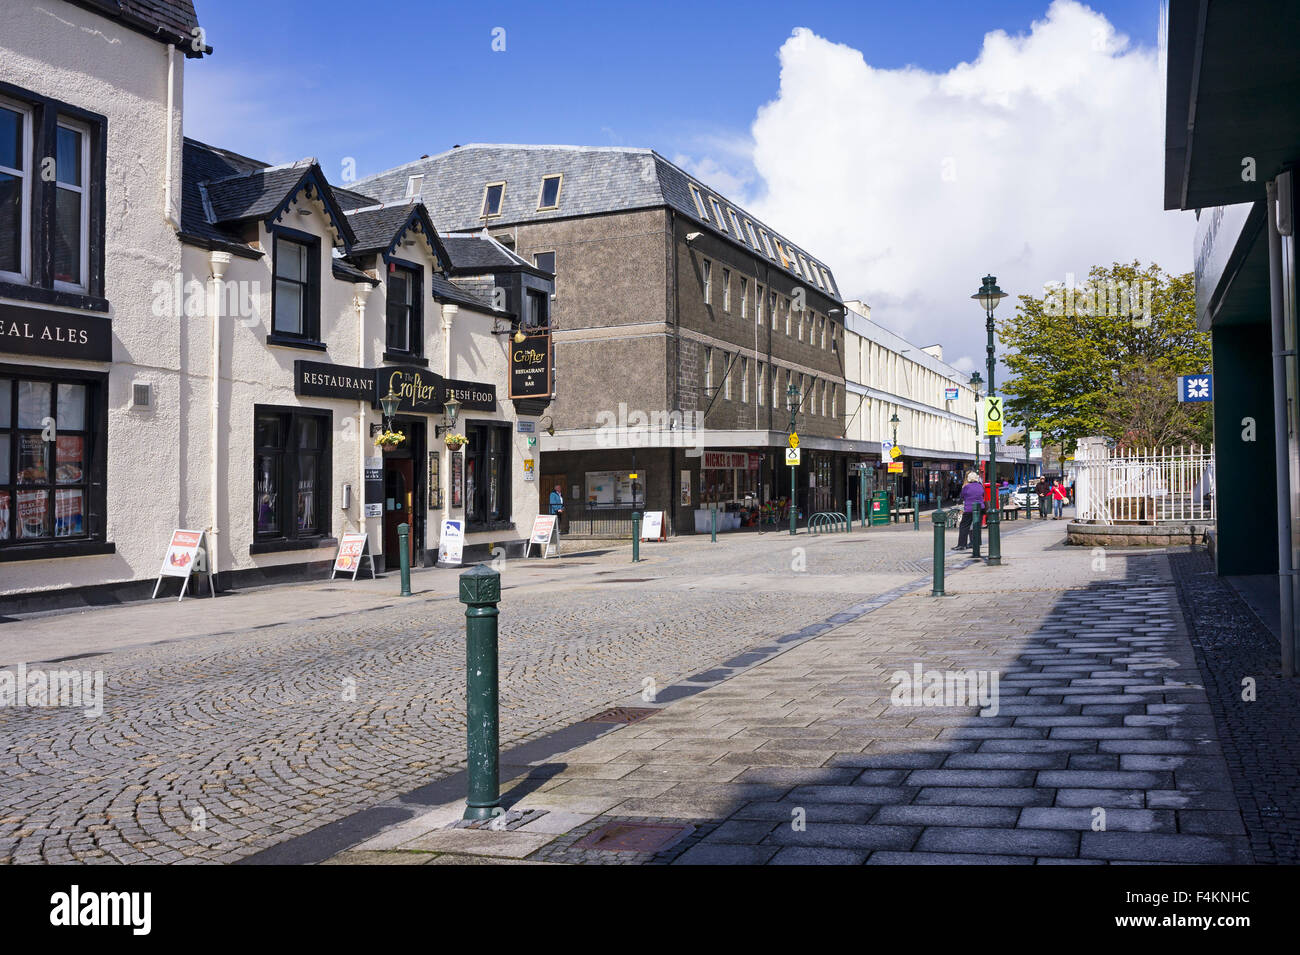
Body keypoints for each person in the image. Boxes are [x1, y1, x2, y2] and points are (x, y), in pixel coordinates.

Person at [956, 471, 984, 550]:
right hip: (980, 508)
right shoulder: (980, 486)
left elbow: (962, 496)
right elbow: (983, 495)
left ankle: (962, 544)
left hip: (969, 509)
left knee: (964, 526)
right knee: (977, 525)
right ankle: (976, 542)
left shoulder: (967, 487)